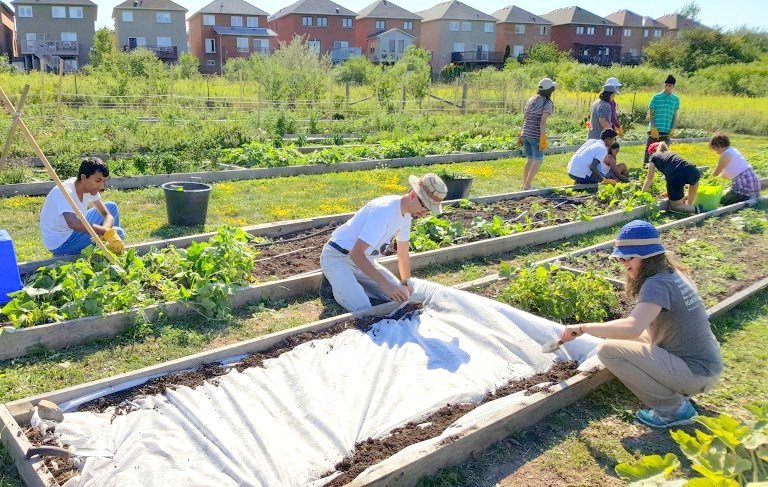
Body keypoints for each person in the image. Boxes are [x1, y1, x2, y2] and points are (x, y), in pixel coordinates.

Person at [559, 220, 722, 428]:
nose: (624, 263)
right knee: (618, 338)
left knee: (608, 350)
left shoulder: (657, 284)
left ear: (649, 257)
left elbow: (632, 327)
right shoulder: (672, 273)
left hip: (696, 373)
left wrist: (582, 328)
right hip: (706, 364)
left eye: (630, 257)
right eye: (620, 257)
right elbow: (637, 327)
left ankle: (674, 410)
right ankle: (676, 389)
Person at [319, 173, 447, 312]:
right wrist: (385, 284)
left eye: (428, 211)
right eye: (424, 207)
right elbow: (356, 254)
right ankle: (333, 285)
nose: (424, 213)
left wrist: (405, 283)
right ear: (412, 195)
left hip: (364, 261)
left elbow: (403, 254)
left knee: (402, 296)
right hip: (339, 257)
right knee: (362, 308)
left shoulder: (406, 216)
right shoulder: (384, 211)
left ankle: (351, 283)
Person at [40, 157, 125, 256]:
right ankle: (109, 250)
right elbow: (74, 224)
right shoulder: (64, 191)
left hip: (73, 229)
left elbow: (107, 214)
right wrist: (105, 232)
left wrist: (106, 231)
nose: (102, 187)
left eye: (104, 182)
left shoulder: (87, 186)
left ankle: (110, 247)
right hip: (62, 242)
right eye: (98, 181)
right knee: (119, 232)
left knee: (111, 206)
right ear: (84, 177)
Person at [642, 142, 700, 213]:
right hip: (693, 171)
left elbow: (649, 178)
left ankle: (697, 209)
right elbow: (681, 168)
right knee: (692, 183)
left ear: (652, 152)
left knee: (674, 206)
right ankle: (689, 205)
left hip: (675, 175)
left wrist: (642, 193)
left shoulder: (653, 156)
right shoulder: (670, 153)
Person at [520, 77, 556, 190]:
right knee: (538, 159)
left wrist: (521, 132)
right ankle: (528, 184)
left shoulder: (531, 99)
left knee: (530, 159)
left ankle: (525, 184)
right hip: (535, 134)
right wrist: (542, 136)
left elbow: (525, 116)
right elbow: (543, 121)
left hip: (525, 132)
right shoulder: (547, 103)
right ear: (550, 90)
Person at [708, 132, 761, 204]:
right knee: (723, 193)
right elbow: (726, 173)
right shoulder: (732, 150)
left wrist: (708, 181)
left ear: (719, 145)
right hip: (752, 186)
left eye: (714, 148)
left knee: (720, 200)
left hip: (744, 189)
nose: (715, 151)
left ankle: (748, 200)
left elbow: (716, 173)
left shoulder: (725, 155)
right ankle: (751, 198)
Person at [644, 74, 680, 166]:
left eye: (670, 86)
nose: (667, 87)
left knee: (664, 153)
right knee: (650, 150)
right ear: (664, 84)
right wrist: (653, 127)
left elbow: (675, 116)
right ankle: (646, 169)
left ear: (673, 86)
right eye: (666, 85)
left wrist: (673, 128)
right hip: (654, 130)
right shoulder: (656, 97)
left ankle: (660, 171)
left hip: (666, 130)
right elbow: (651, 114)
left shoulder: (676, 99)